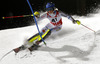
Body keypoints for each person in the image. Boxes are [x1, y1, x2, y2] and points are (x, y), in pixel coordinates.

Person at [13, 2, 81, 53]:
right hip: (50, 25)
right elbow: (38, 20)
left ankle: (37, 43)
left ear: (53, 8)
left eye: (50, 9)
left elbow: (67, 16)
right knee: (40, 33)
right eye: (48, 9)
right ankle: (24, 45)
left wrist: (74, 21)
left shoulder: (59, 12)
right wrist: (36, 16)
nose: (49, 11)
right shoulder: (47, 14)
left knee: (49, 31)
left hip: (58, 27)